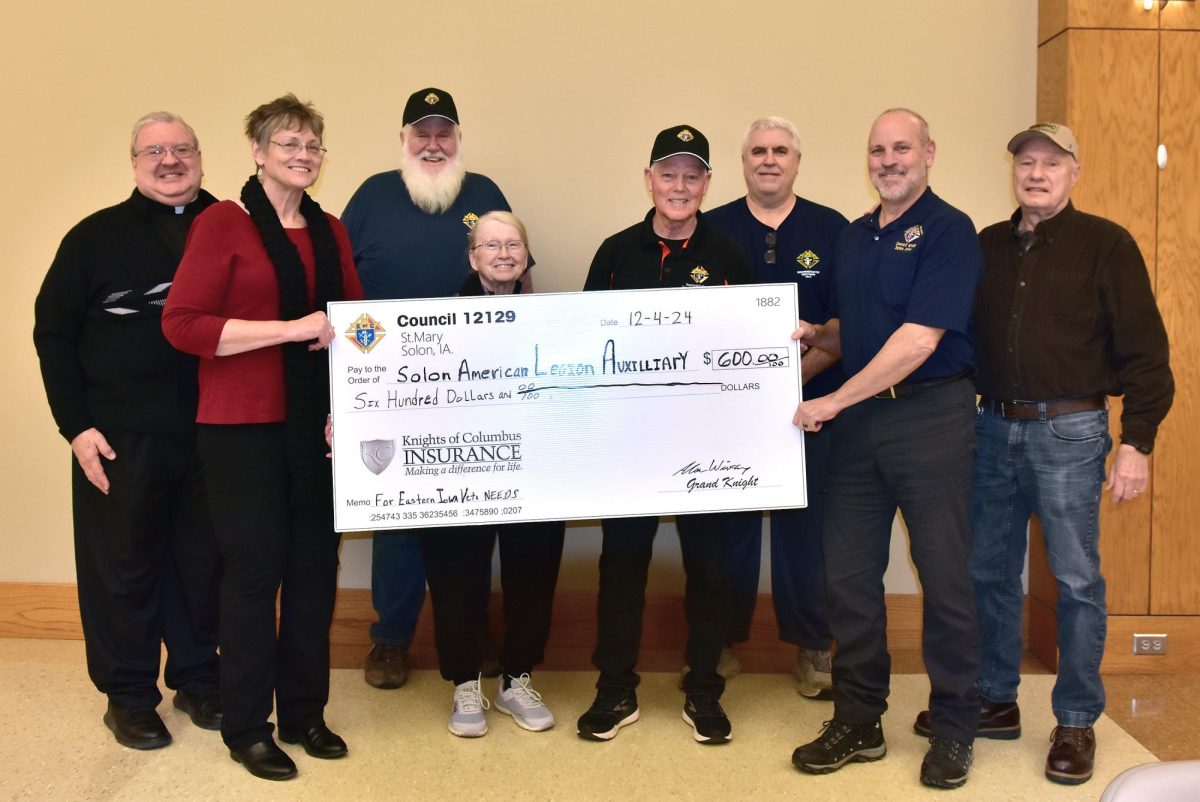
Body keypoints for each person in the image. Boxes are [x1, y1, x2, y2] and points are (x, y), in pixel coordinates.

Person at [912, 122, 1173, 786]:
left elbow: (1147, 354)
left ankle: (1078, 720)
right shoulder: (987, 247)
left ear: (1074, 173)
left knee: (1077, 581)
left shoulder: (1107, 245)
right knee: (988, 575)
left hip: (1073, 433)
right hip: (993, 431)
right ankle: (996, 698)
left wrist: (1136, 443)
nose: (1036, 173)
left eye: (1051, 164)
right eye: (1026, 162)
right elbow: (952, 336)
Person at [163, 94, 363, 781]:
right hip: (240, 433)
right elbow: (183, 325)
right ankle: (248, 726)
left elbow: (354, 328)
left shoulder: (331, 231)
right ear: (257, 150)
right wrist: (290, 329)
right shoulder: (224, 222)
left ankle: (305, 713)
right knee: (253, 577)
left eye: (312, 145)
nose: (302, 156)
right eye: (288, 144)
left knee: (314, 572)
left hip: (317, 430)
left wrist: (355, 404)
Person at [789, 109, 983, 789]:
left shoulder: (951, 231)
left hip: (932, 417)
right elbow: (857, 335)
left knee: (944, 576)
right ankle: (860, 718)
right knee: (847, 577)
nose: (889, 159)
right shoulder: (853, 237)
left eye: (902, 147)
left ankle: (956, 726)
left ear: (930, 152)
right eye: (877, 149)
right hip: (861, 429)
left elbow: (916, 341)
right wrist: (811, 342)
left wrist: (833, 400)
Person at [33, 112, 221, 751]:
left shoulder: (234, 229)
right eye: (155, 151)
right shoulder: (94, 238)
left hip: (215, 434)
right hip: (119, 439)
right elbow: (53, 335)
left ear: (201, 156)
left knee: (204, 564)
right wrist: (76, 427)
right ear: (135, 162)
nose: (170, 161)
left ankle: (198, 677)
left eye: (181, 149)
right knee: (124, 568)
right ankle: (129, 696)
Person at [341, 87, 527, 689]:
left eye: (443, 132)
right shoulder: (371, 196)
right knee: (397, 516)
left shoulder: (485, 194)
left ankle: (469, 632)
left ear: (458, 140)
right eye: (421, 133)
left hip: (475, 391)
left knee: (474, 516)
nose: (432, 143)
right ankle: (390, 639)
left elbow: (518, 278)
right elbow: (339, 295)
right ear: (403, 140)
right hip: (388, 387)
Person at [577, 124, 753, 745]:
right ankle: (615, 688)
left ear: (707, 184)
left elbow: (751, 352)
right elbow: (587, 346)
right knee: (622, 564)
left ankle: (704, 688)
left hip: (705, 445)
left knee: (710, 568)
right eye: (668, 173)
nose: (679, 186)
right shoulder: (615, 251)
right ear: (648, 179)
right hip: (631, 444)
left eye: (692, 175)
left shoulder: (730, 255)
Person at [705, 116, 848, 698]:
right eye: (758, 150)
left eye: (780, 151)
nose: (769, 159)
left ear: (796, 160)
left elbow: (846, 326)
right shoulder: (710, 230)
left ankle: (814, 648)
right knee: (725, 526)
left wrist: (789, 387)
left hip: (813, 410)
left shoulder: (832, 229)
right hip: (726, 414)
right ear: (744, 162)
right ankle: (717, 640)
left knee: (808, 528)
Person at [419, 211, 566, 738]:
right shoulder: (430, 325)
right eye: (491, 245)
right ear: (472, 257)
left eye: (513, 245)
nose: (504, 254)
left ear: (526, 254)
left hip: (536, 473)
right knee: (456, 575)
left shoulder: (560, 324)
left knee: (533, 573)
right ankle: (464, 684)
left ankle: (516, 680)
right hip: (460, 474)